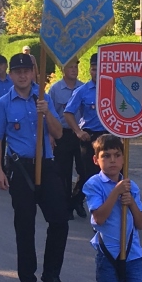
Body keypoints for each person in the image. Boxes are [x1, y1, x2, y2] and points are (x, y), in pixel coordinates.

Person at [0, 53, 68, 282]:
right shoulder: (3, 103)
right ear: (11, 75)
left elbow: (58, 134)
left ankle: (52, 273)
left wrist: (48, 113)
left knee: (59, 221)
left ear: (33, 73)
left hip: (46, 165)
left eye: (26, 71)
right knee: (25, 226)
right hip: (20, 168)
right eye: (17, 72)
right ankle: (27, 279)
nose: (22, 75)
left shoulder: (42, 98)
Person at [83, 134, 142, 282]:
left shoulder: (131, 186)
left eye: (117, 155)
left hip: (132, 256)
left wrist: (131, 203)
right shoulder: (93, 184)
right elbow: (99, 217)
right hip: (108, 257)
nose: (112, 160)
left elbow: (141, 223)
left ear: (123, 158)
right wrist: (116, 193)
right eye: (106, 156)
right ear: (96, 160)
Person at [64, 53, 107, 218]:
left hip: (108, 137)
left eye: (100, 69)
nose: (97, 72)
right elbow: (68, 113)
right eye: (94, 69)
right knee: (89, 175)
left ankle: (102, 208)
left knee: (110, 174)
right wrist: (78, 131)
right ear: (90, 70)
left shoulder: (113, 89)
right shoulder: (82, 91)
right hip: (90, 137)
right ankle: (75, 200)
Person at [48, 59, 85, 219]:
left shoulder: (84, 88)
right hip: (62, 134)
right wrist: (50, 135)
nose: (74, 69)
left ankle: (76, 200)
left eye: (76, 66)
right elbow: (49, 114)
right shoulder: (55, 89)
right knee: (63, 172)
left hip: (82, 134)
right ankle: (65, 206)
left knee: (85, 171)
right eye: (71, 66)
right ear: (63, 70)